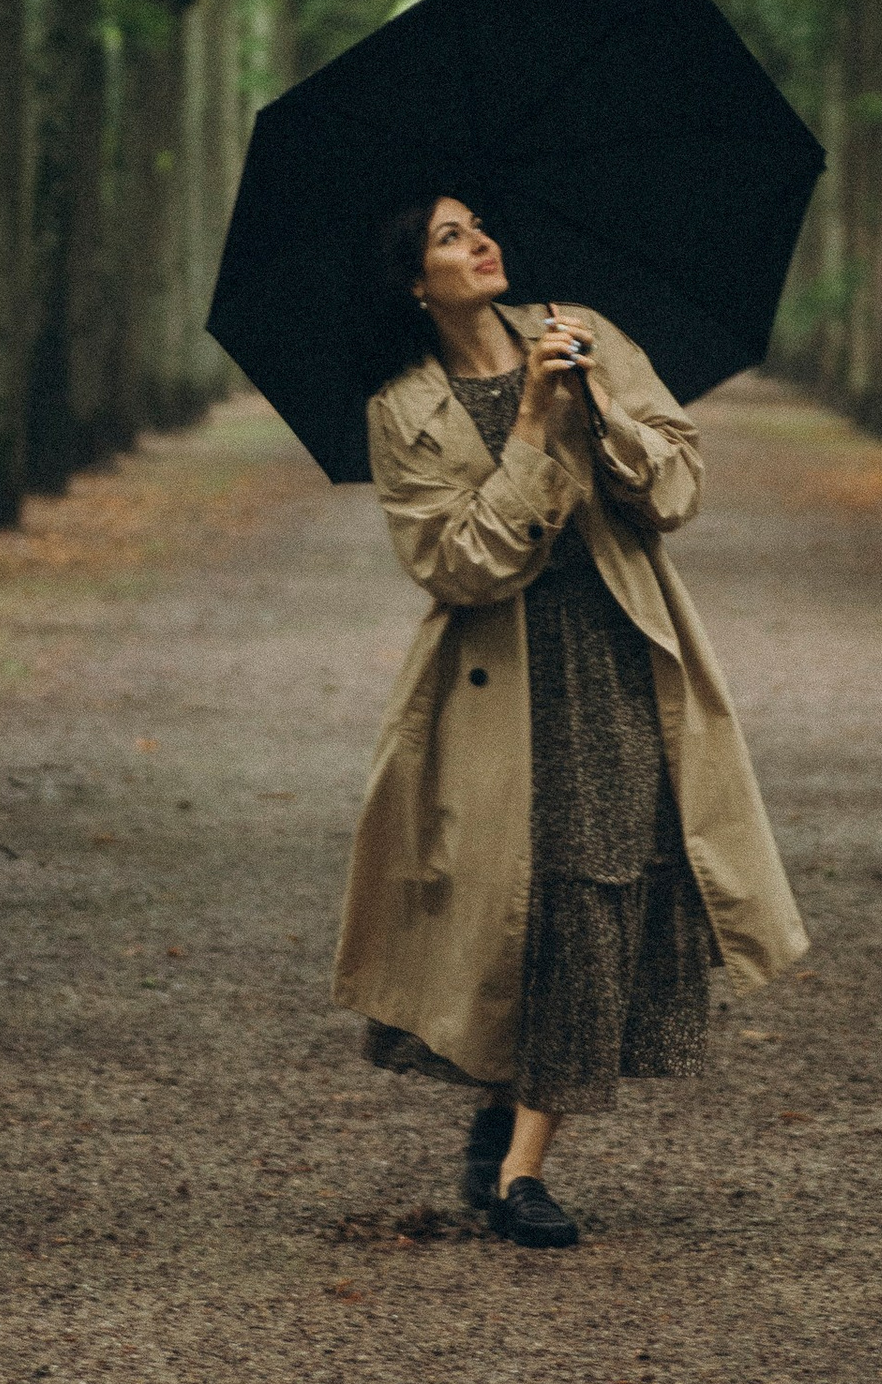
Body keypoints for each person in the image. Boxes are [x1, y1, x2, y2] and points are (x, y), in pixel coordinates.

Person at [332, 193, 807, 1249]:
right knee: (516, 905)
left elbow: (675, 486)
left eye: (478, 225)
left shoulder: (583, 334)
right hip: (491, 691)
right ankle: (502, 1105)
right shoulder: (402, 408)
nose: (480, 243)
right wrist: (535, 433)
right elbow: (456, 563)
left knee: (594, 893)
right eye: (449, 238)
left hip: (619, 657)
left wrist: (590, 403)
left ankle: (520, 1174)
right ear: (416, 281)